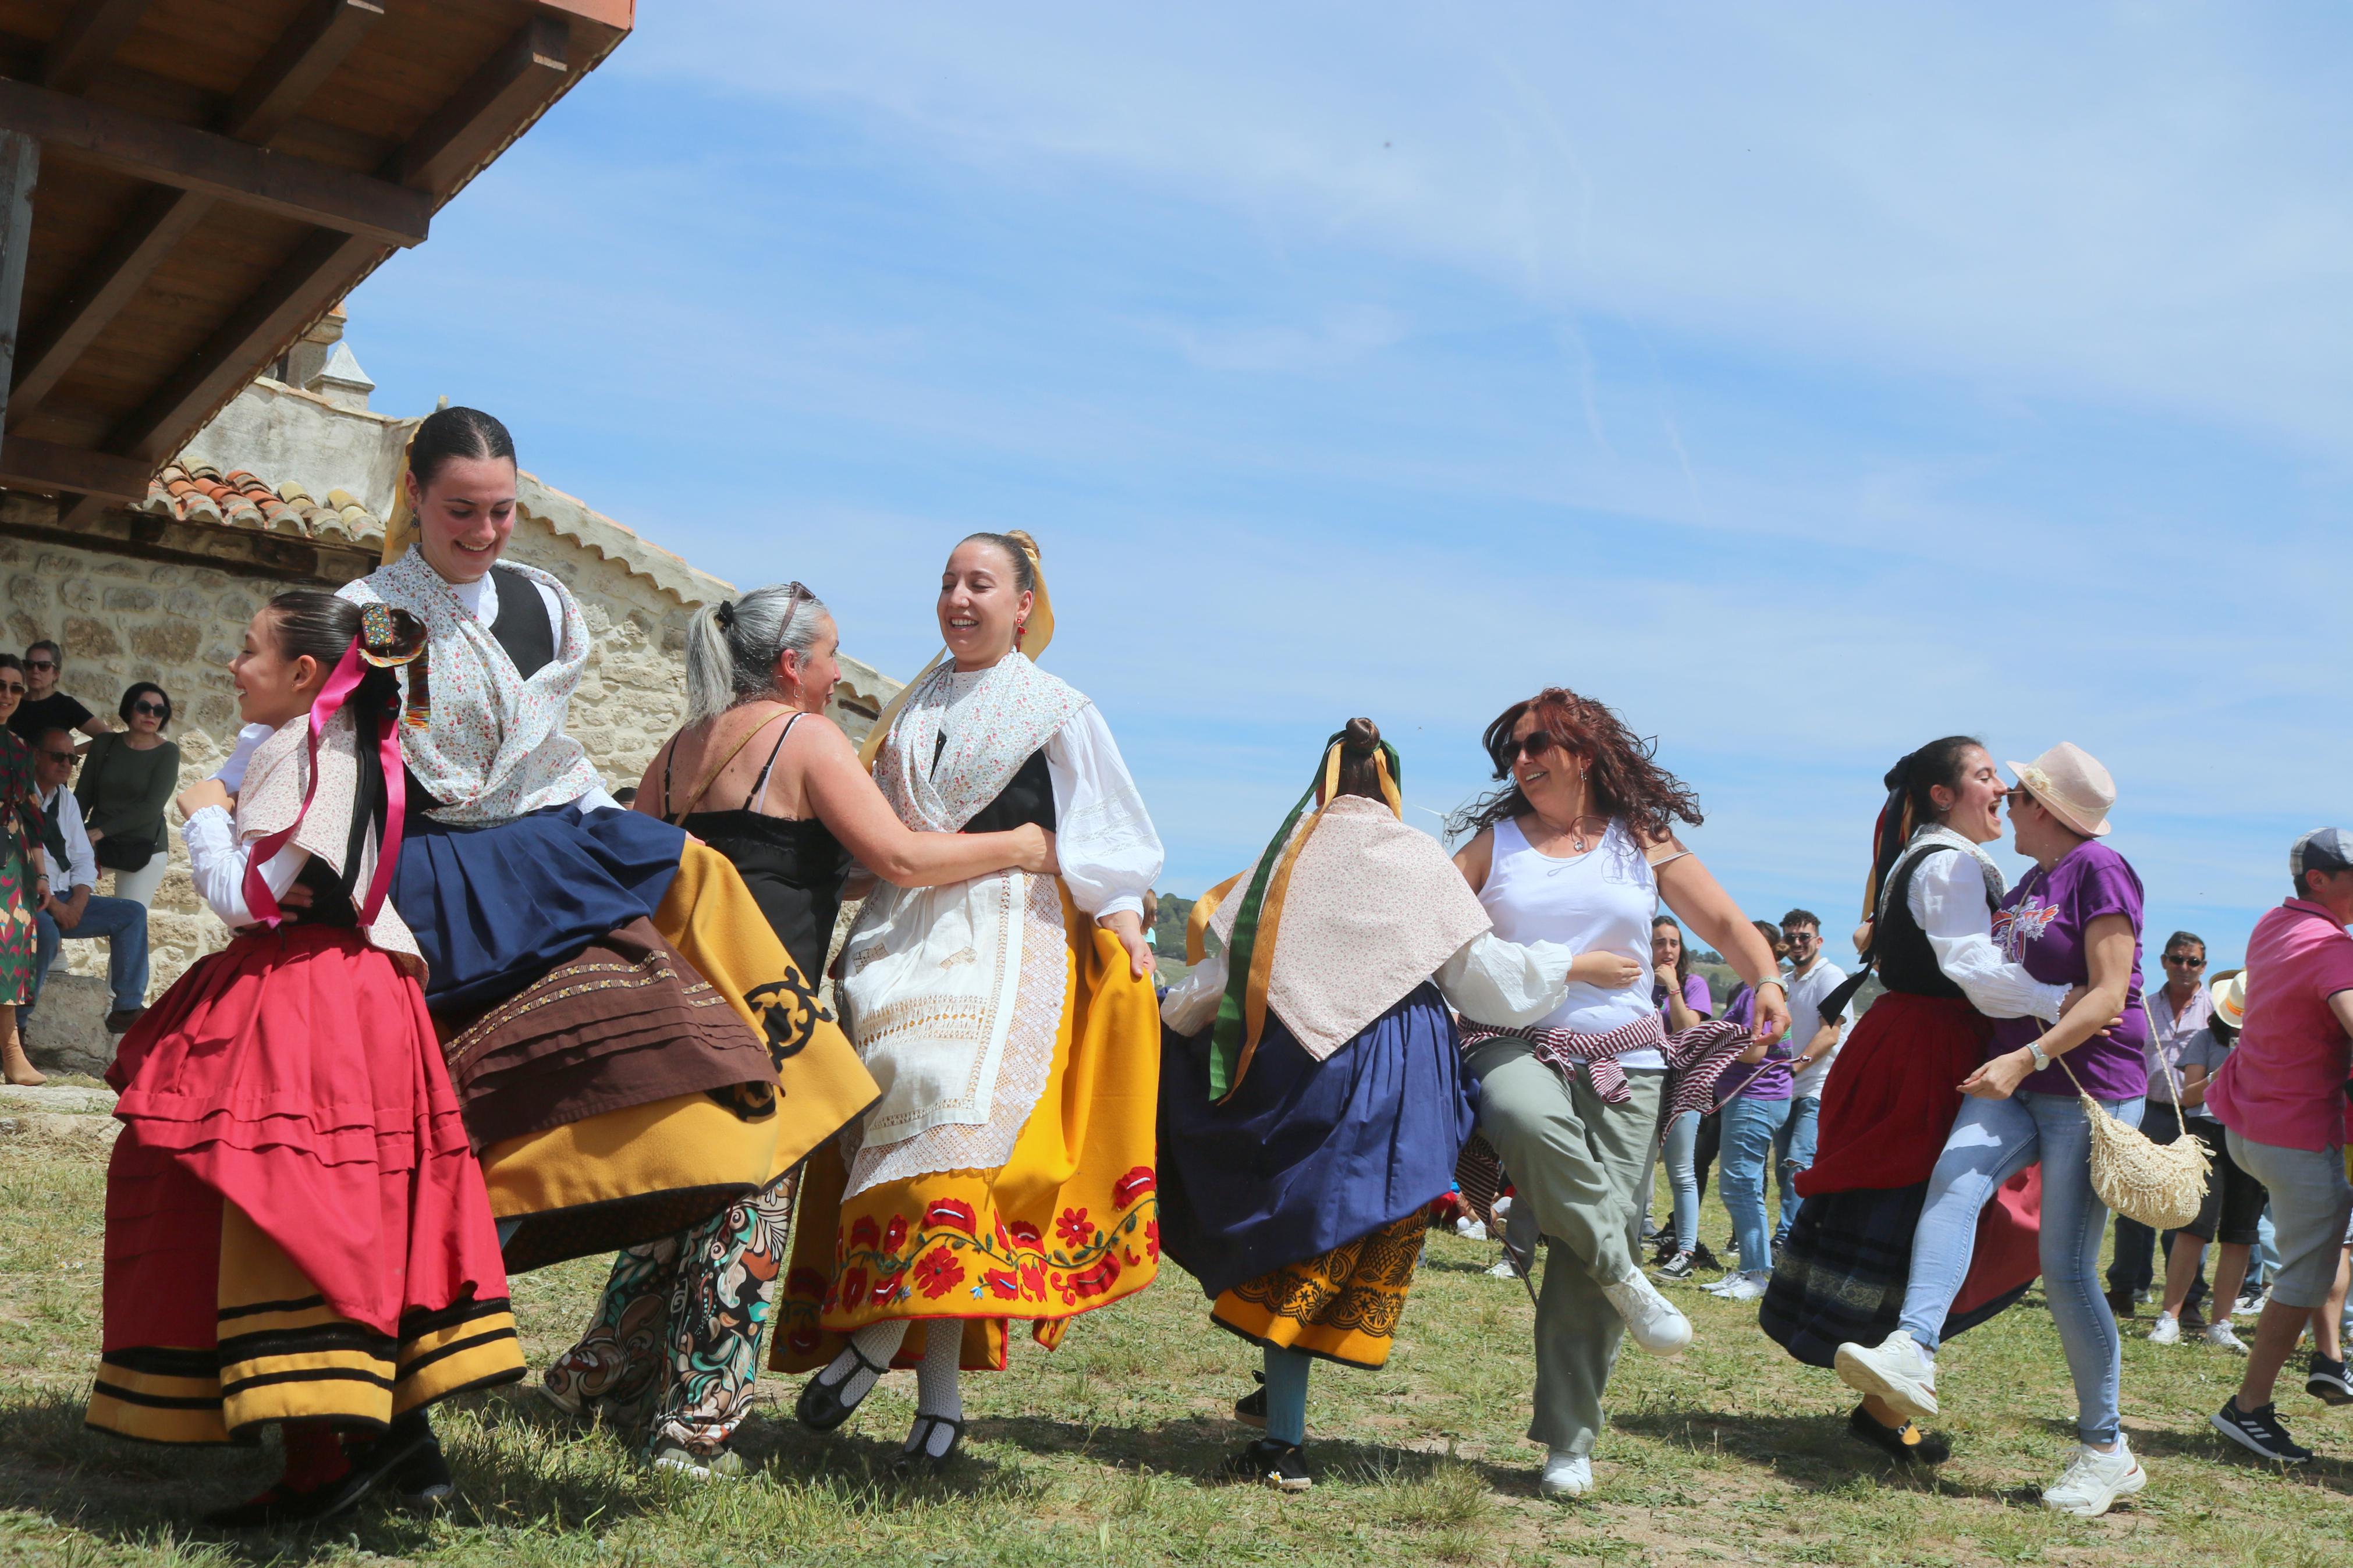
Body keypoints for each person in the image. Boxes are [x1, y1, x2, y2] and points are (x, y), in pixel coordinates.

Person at [540, 580, 1056, 1477]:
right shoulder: (804, 738)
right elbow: (896, 853)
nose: (833, 677)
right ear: (790, 663)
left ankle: (600, 1368)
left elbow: (757, 864)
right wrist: (1018, 847)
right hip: (761, 1014)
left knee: (677, 1192)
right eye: (826, 657)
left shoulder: (678, 749)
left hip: (675, 1004)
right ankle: (695, 1429)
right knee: (746, 1214)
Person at [339, 406, 871, 1275]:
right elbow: (350, 759)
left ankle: (788, 1083)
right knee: (442, 1089)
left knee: (672, 948)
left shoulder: (547, 602)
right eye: (460, 510)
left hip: (547, 835)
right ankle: (447, 1245)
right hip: (433, 863)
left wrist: (614, 823)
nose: (483, 530)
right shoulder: (365, 612)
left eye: (501, 510)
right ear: (414, 496)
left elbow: (544, 750)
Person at [86, 591, 522, 1527]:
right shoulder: (321, 742)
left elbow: (248, 894)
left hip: (311, 1004)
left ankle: (343, 1444)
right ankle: (371, 1441)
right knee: (332, 1200)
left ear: (303, 676)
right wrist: (233, 767)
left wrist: (202, 814)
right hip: (352, 998)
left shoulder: (313, 753)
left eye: (249, 653)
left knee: (283, 1198)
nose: (233, 666)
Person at [780, 531, 1164, 1475]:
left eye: (979, 583)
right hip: (899, 939)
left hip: (1004, 931)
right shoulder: (913, 707)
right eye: (948, 581)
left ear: (1024, 605)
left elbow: (1108, 830)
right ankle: (941, 1402)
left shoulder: (1059, 711)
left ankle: (874, 1343)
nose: (958, 597)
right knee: (894, 1119)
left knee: (957, 1106)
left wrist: (1126, 927)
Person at [1158, 719, 1594, 1492]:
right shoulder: (1415, 857)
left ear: (1320, 779)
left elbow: (1227, 971)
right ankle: (1279, 1403)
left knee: (1294, 1228)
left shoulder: (1285, 857)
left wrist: (1163, 1023)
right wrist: (1569, 963)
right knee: (1336, 1232)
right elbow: (1484, 977)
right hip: (1399, 1073)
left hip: (1301, 1067)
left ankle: (1282, 1437)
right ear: (1390, 783)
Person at [1446, 685, 1784, 1499]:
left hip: (1626, 1058)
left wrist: (1765, 979)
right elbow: (1429, 931)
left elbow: (1727, 923)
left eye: (1537, 745)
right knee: (1532, 1124)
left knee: (1584, 1241)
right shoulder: (1491, 845)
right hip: (1509, 1041)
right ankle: (1627, 1276)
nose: (1521, 761)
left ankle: (1568, 1439)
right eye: (1513, 750)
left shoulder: (1641, 839)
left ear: (1584, 754)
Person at [1832, 742, 2149, 1517]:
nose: (2005, 796)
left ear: (2049, 810)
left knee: (2067, 1267)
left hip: (2083, 1083)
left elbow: (2107, 993)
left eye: (2022, 792)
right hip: (2015, 1073)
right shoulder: (2031, 878)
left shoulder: (2100, 868)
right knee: (1952, 1181)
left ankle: (2105, 1449)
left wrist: (2028, 1054)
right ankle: (1912, 1347)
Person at [2199, 829, 2353, 1463]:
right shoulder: (2332, 947)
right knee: (2308, 1273)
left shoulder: (2272, 923)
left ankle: (2326, 1369)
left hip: (2247, 1124)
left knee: (2305, 1263)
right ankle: (2249, 1406)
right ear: (2317, 879)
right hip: (2296, 1134)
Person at [2148, 969, 2265, 1352]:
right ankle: (2169, 1317)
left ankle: (2222, 1323)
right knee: (2192, 1228)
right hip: (2209, 1136)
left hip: (2252, 1136)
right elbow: (2186, 1097)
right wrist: (2221, 1073)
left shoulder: (2272, 1041)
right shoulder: (2205, 1038)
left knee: (2240, 1233)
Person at [2106, 930, 2210, 1315]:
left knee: (2185, 1210)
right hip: (2146, 1110)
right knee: (2134, 1203)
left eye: (2193, 961)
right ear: (2164, 961)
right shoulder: (2143, 1008)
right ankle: (2124, 1289)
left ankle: (2187, 1301)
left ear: (2203, 965)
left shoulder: (2217, 1013)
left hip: (2195, 1120)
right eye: (2177, 959)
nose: (2184, 967)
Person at [25, 727, 151, 1033]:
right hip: (30, 899)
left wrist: (78, 902)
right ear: (36, 756)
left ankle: (126, 1009)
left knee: (131, 914)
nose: (67, 764)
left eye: (72, 758)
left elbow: (82, 858)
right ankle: (17, 1028)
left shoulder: (65, 800)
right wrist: (57, 907)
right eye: (58, 757)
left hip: (65, 898)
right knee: (47, 936)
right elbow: (19, 861)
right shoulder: (17, 795)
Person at [1706, 919, 1805, 1300]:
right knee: (1741, 1186)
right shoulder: (1756, 992)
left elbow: (1754, 1049)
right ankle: (1752, 1268)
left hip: (1754, 1099)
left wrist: (1712, 1041)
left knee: (1741, 1186)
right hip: (1757, 1098)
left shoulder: (1754, 994)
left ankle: (1755, 1273)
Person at [1778, 908, 1850, 1253]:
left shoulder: (1830, 976)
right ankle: (1797, 1236)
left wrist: (1794, 1067)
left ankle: (1788, 1240)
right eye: (1790, 937)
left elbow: (1830, 1034)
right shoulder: (1787, 981)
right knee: (1783, 1170)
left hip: (1817, 1088)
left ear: (1818, 940)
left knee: (1798, 1164)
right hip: (1785, 1090)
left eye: (1804, 937)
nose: (1797, 943)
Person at [75, 684, 181, 909]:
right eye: (144, 707)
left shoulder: (168, 753)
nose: (151, 715)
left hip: (142, 847)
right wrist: (69, 833)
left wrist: (102, 831)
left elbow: (151, 807)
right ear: (129, 709)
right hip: (95, 844)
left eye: (159, 711)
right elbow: (83, 796)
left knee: (129, 919)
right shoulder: (105, 744)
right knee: (61, 903)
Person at [1653, 917, 1719, 1278]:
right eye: (1660, 942)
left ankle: (1686, 1252)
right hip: (1644, 1082)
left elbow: (1690, 1030)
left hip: (1686, 1086)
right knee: (1638, 1166)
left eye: (1674, 943)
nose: (1667, 950)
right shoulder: (1639, 985)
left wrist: (1672, 988)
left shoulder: (1693, 984)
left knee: (1682, 1171)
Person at [0, 656, 47, 1086]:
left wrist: (42, 874)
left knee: (9, 948)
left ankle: (13, 1053)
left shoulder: (19, 749)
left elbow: (32, 818)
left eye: (16, 688)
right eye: (1, 685)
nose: (7, 695)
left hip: (10, 861)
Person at [8, 641, 107, 744]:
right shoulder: (13, 701)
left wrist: (70, 752)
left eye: (43, 666)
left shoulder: (65, 705)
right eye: (29, 664)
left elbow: (107, 737)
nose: (35, 670)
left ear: (56, 674)